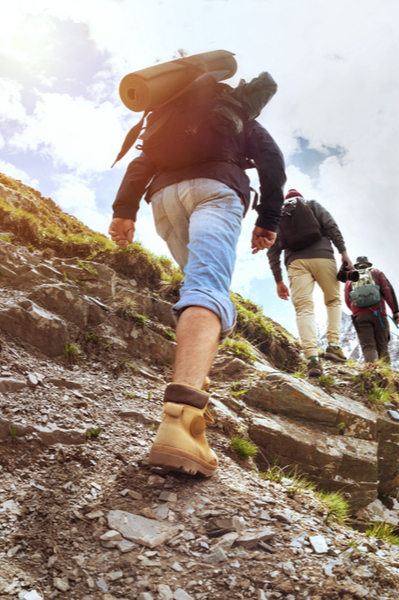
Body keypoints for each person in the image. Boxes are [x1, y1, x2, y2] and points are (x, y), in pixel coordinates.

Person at [108, 90, 286, 478]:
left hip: (164, 198)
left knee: (197, 285)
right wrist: (268, 219)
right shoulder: (240, 115)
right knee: (207, 290)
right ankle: (181, 422)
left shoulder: (167, 115)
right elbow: (272, 162)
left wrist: (124, 210)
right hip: (216, 189)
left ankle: (197, 385)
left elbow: (143, 161)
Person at [267, 189, 353, 378]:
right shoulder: (311, 204)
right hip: (323, 257)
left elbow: (272, 251)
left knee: (304, 308)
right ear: (300, 197)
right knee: (333, 301)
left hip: (296, 264)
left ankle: (313, 359)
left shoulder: (278, 216)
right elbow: (331, 226)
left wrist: (278, 280)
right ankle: (333, 346)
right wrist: (344, 253)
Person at [339, 256, 399, 364]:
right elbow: (388, 291)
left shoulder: (350, 278)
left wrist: (357, 312)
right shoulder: (377, 273)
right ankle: (386, 375)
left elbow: (348, 300)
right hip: (379, 315)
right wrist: (395, 311)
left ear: (356, 266)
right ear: (368, 264)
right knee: (382, 346)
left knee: (368, 346)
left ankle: (372, 374)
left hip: (361, 316)